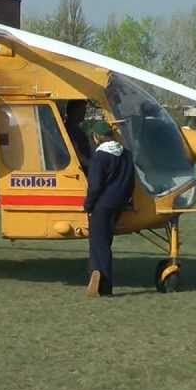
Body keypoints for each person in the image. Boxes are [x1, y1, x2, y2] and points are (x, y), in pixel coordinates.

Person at [82, 120, 135, 297]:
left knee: (99, 243)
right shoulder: (126, 154)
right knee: (105, 241)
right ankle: (96, 277)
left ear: (97, 137)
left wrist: (88, 205)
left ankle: (103, 283)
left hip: (102, 205)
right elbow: (130, 182)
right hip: (119, 204)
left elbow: (95, 186)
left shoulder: (99, 157)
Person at [64, 100, 92, 170]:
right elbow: (74, 147)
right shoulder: (71, 129)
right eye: (82, 110)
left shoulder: (77, 128)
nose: (84, 113)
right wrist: (88, 163)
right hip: (81, 165)